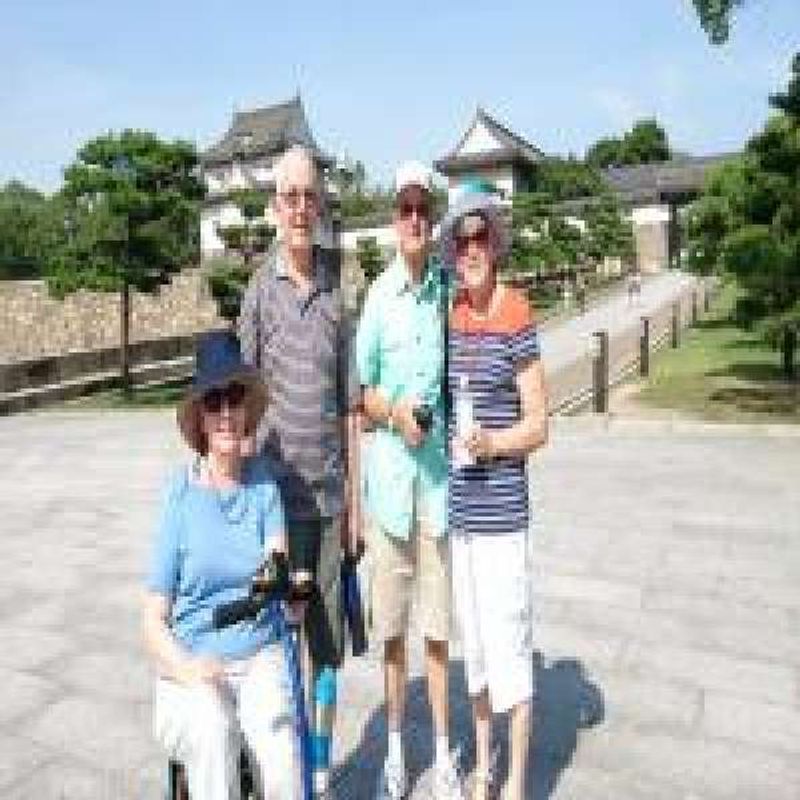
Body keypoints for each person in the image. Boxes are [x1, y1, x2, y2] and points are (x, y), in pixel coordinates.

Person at [238, 145, 360, 798]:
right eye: (289, 195)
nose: (300, 207)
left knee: (327, 648)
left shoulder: (340, 289)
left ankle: (320, 766)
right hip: (273, 505)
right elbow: (238, 392)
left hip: (330, 502)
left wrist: (358, 508)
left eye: (309, 195)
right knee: (274, 646)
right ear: (273, 205)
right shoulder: (259, 290)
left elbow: (347, 405)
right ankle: (281, 770)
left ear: (321, 203)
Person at [142, 330, 304, 800]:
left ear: (247, 410)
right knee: (213, 732)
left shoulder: (264, 490)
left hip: (258, 656)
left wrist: (290, 597)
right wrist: (187, 667)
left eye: (235, 397)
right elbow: (152, 620)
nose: (227, 412)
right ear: (200, 417)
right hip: (194, 662)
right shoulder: (179, 495)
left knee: (282, 764)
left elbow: (277, 570)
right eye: (214, 401)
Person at [356, 161, 463, 800]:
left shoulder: (449, 291)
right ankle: (397, 750)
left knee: (440, 632)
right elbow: (361, 391)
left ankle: (445, 754)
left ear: (434, 218)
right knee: (392, 632)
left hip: (439, 489)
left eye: (424, 209)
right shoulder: (377, 297)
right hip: (392, 490)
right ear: (394, 221)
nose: (415, 220)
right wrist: (394, 412)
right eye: (405, 210)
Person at [440, 184, 548, 800]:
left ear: (496, 244)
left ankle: (516, 781)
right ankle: (483, 764)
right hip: (461, 513)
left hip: (503, 511)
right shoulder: (451, 314)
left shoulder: (517, 310)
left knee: (510, 640)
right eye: (462, 240)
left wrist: (495, 444)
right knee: (476, 646)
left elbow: (540, 424)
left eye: (481, 237)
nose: (471, 249)